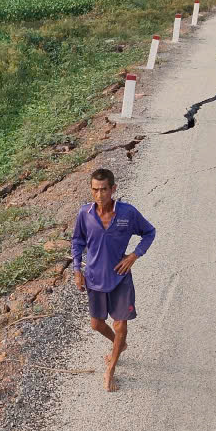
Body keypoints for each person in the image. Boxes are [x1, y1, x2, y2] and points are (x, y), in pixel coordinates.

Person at [71, 168, 156, 392]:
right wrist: (77, 270)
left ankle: (111, 370)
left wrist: (134, 255)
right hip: (94, 277)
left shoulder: (127, 214)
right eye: (95, 190)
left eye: (104, 190)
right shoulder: (84, 214)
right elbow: (77, 241)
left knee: (120, 325)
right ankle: (120, 345)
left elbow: (149, 232)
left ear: (113, 189)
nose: (99, 195)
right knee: (96, 324)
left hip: (120, 278)